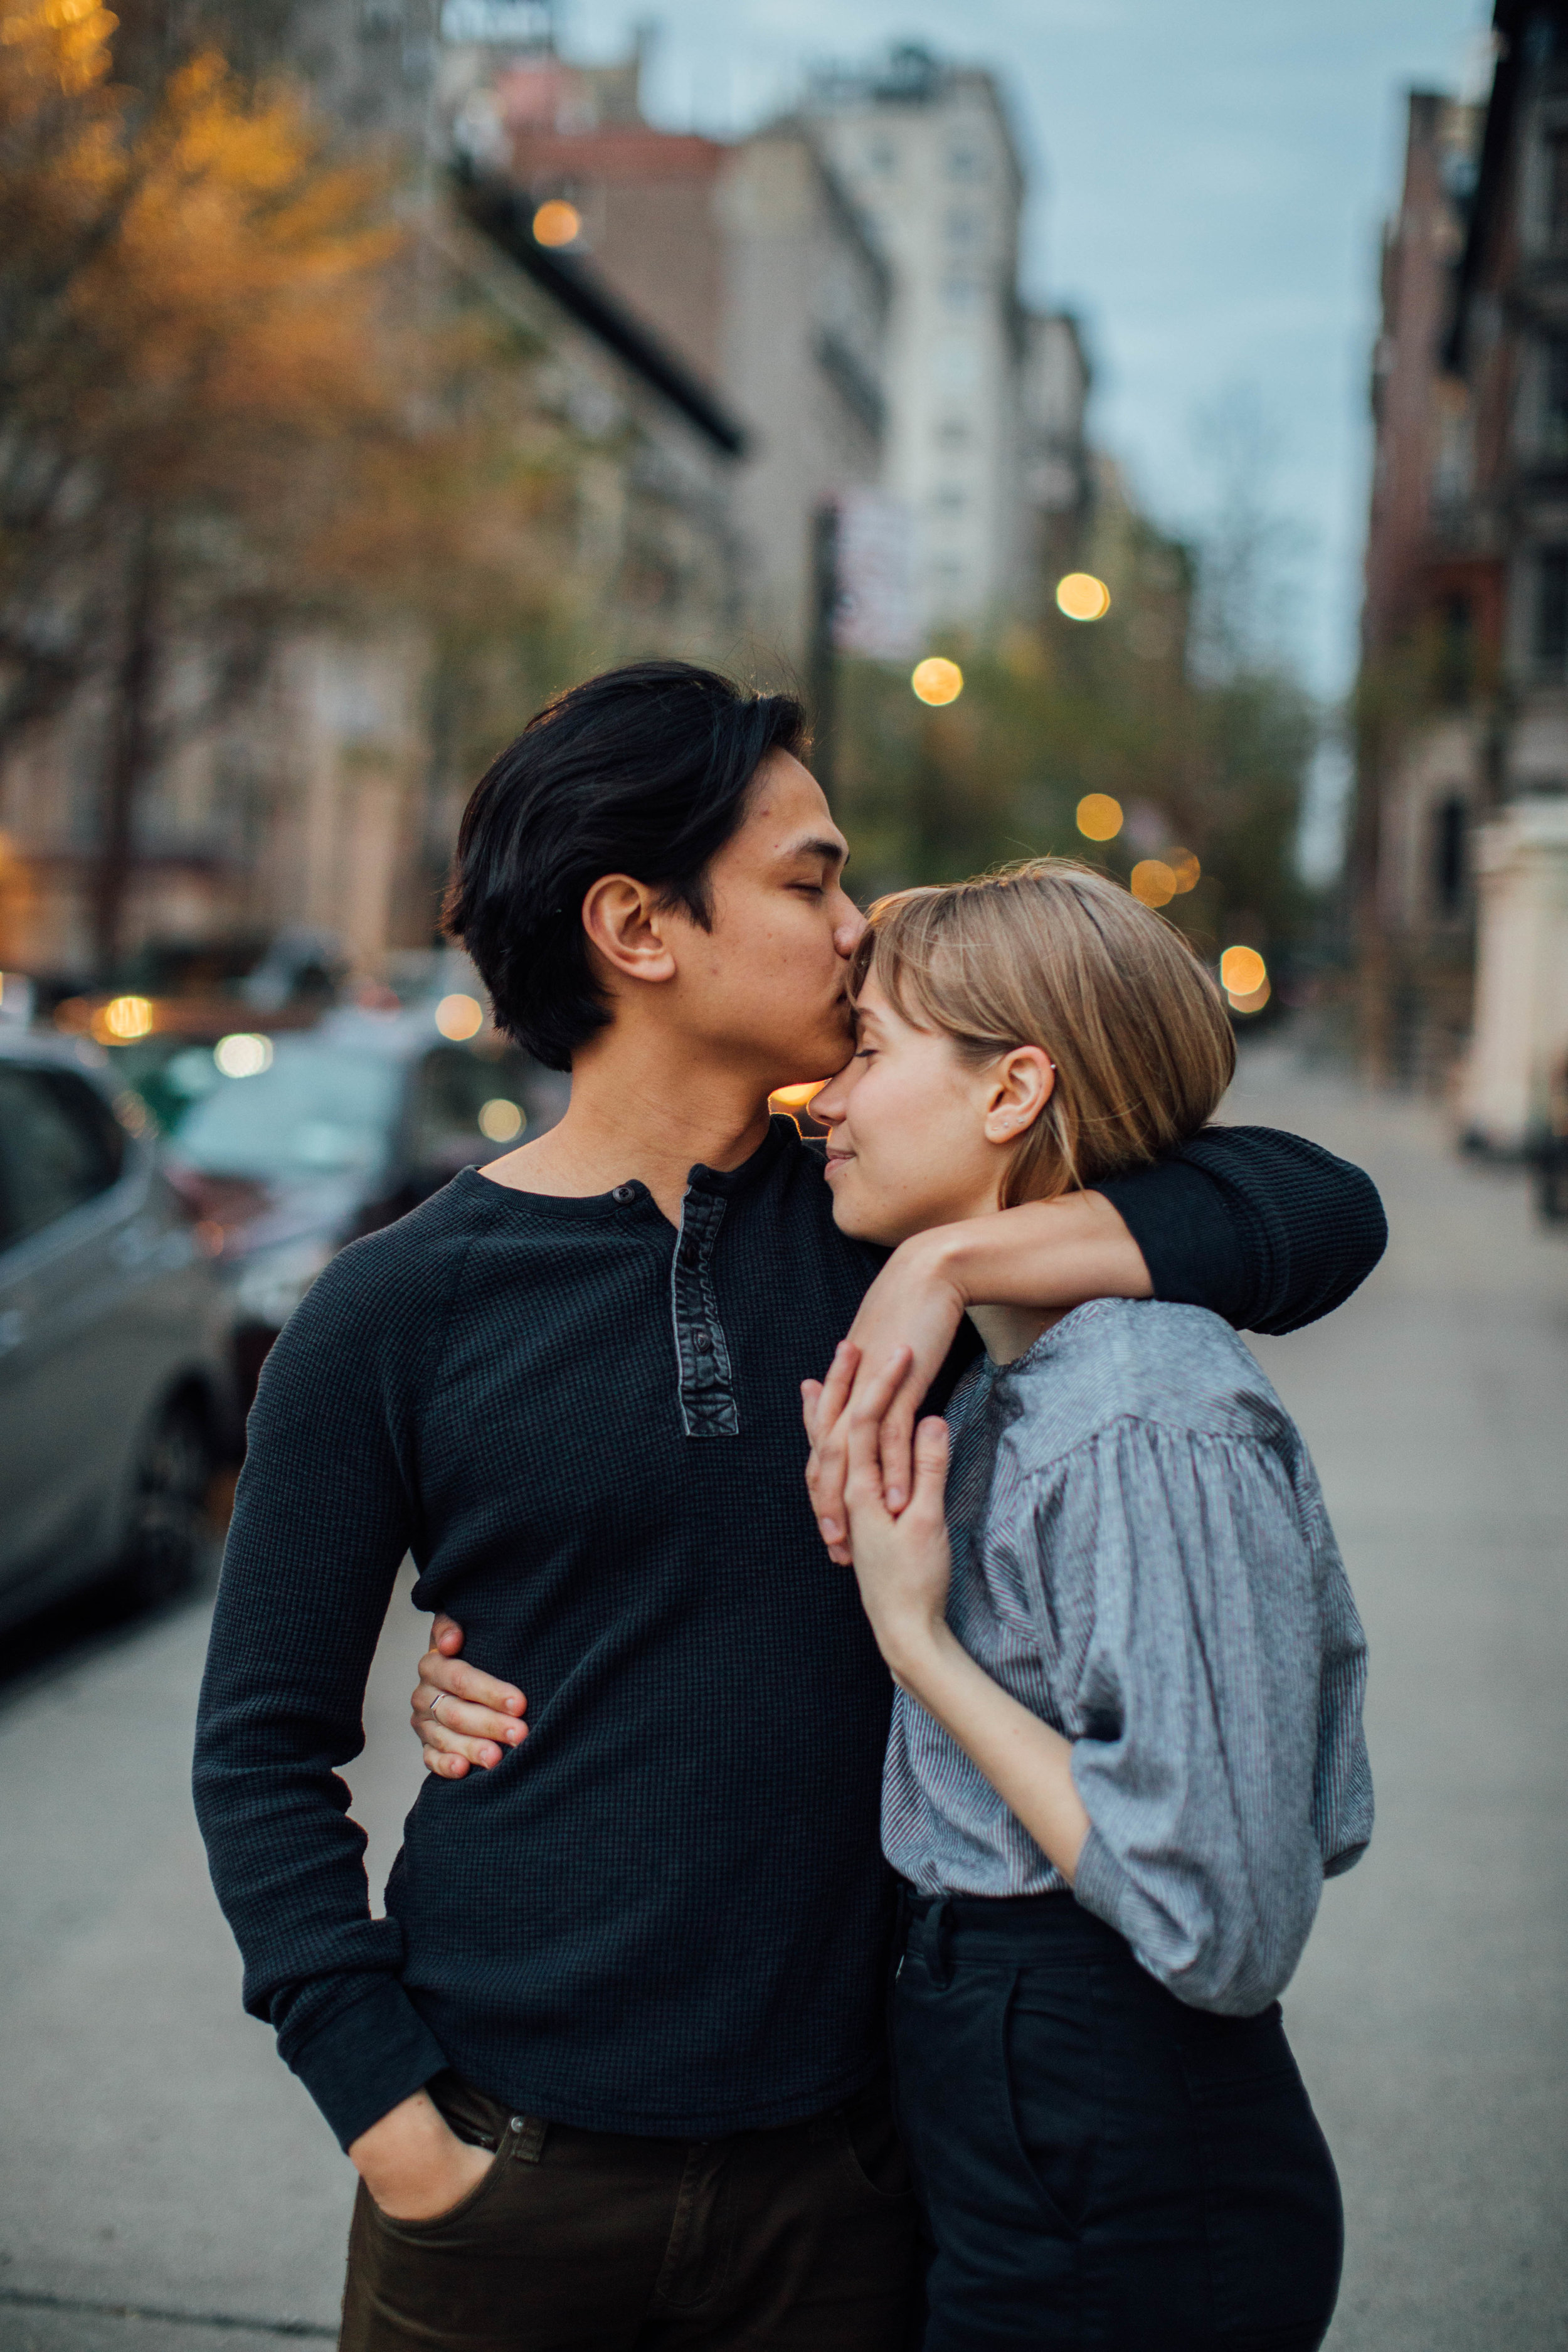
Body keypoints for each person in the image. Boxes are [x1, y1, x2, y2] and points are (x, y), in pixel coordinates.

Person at [194, 662, 1385, 2352]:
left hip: (854, 2179)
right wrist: (394, 2125)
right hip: (503, 2176)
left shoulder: (878, 1213)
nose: (853, 928)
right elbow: (259, 1747)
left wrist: (953, 1259)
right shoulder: (392, 1309)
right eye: (810, 880)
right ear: (638, 925)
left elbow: (1315, 1211)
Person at [803, 861, 1367, 2349]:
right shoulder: (1025, 1375)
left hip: (1117, 2142)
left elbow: (1218, 1916)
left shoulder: (1135, 1409)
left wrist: (917, 1641)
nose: (824, 1099)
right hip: (1022, 2111)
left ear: (1013, 1093)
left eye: (866, 1050)